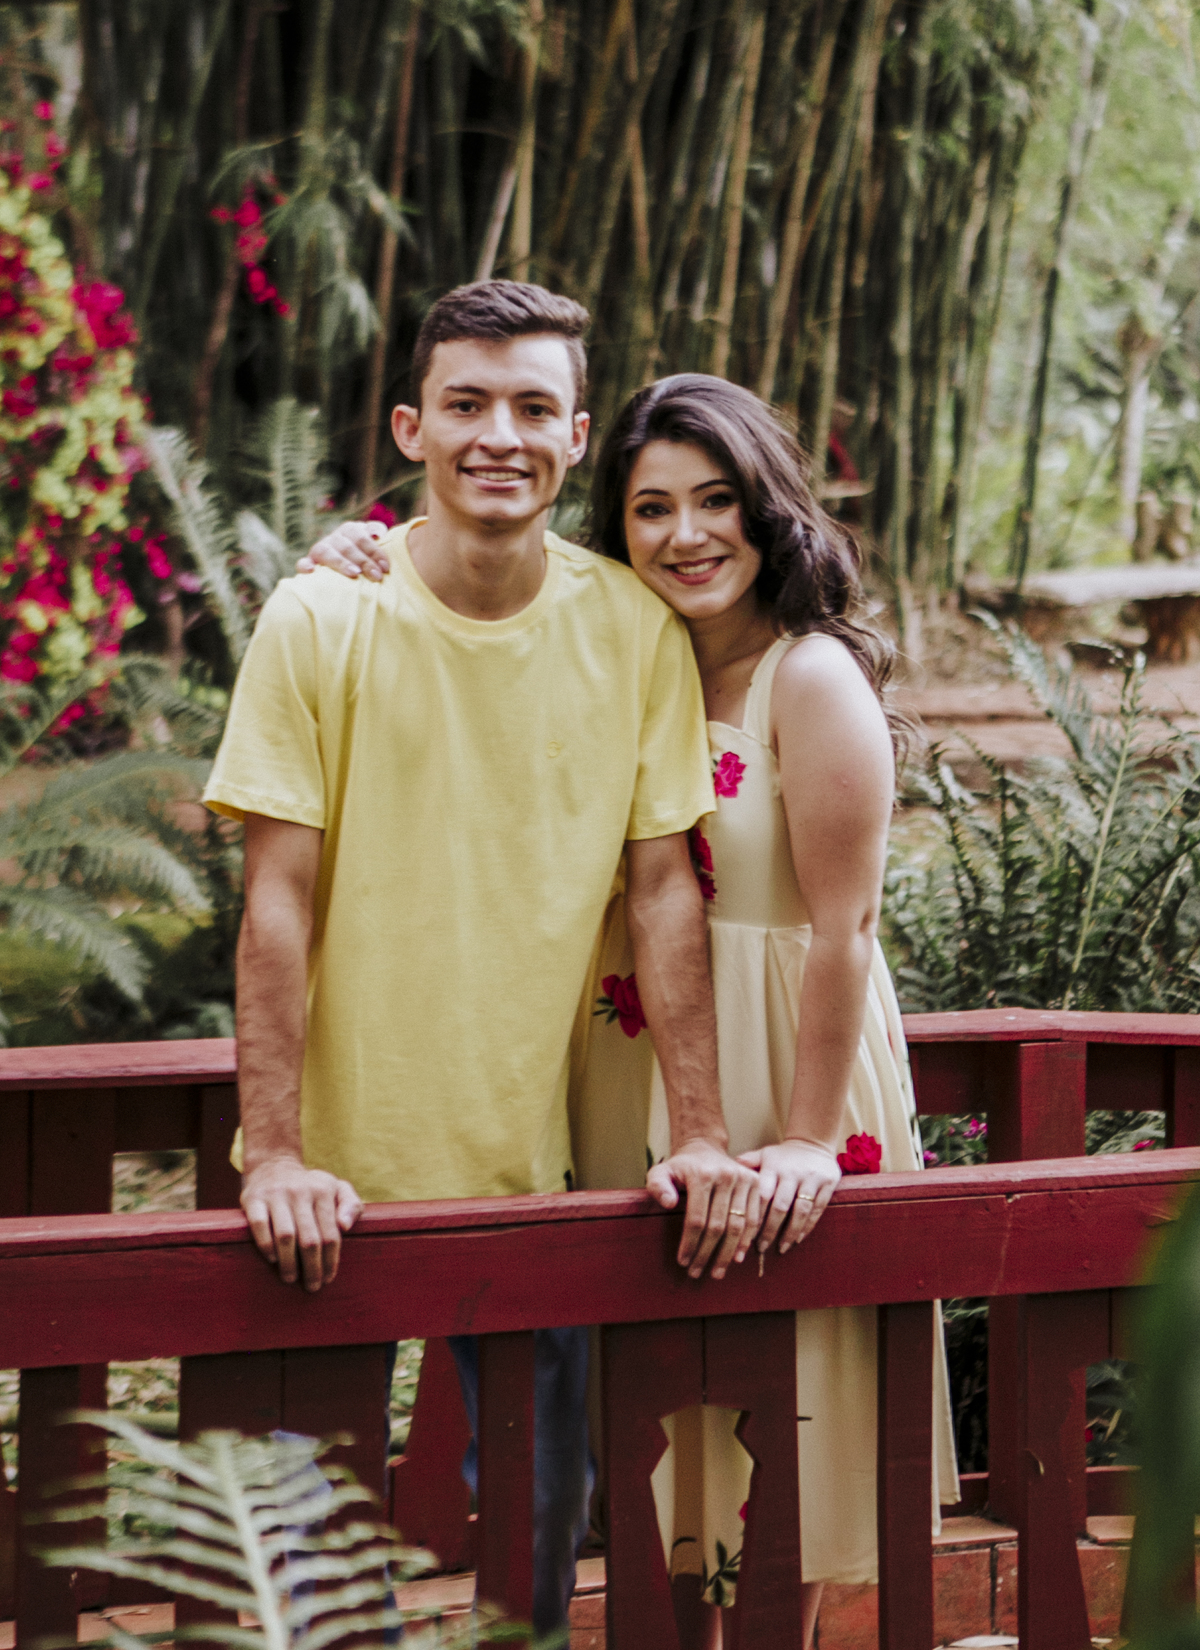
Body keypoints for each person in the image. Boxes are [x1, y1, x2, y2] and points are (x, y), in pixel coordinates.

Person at [309, 372, 959, 1650]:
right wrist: (360, 554)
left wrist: (807, 1142)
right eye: (652, 508)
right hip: (630, 1071)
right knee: (664, 1434)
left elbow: (844, 930)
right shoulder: (605, 656)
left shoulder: (809, 677)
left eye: (716, 500)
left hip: (781, 1079)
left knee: (782, 1424)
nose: (686, 534)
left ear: (767, 509)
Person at [203, 284, 765, 1644]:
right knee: (306, 1577)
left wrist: (700, 1133)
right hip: (328, 1186)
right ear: (413, 428)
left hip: (539, 1167)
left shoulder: (632, 628)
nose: (497, 435)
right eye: (466, 404)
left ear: (576, 434)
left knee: (534, 1561)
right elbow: (276, 901)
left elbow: (662, 894)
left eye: (531, 408)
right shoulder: (319, 619)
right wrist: (273, 1153)